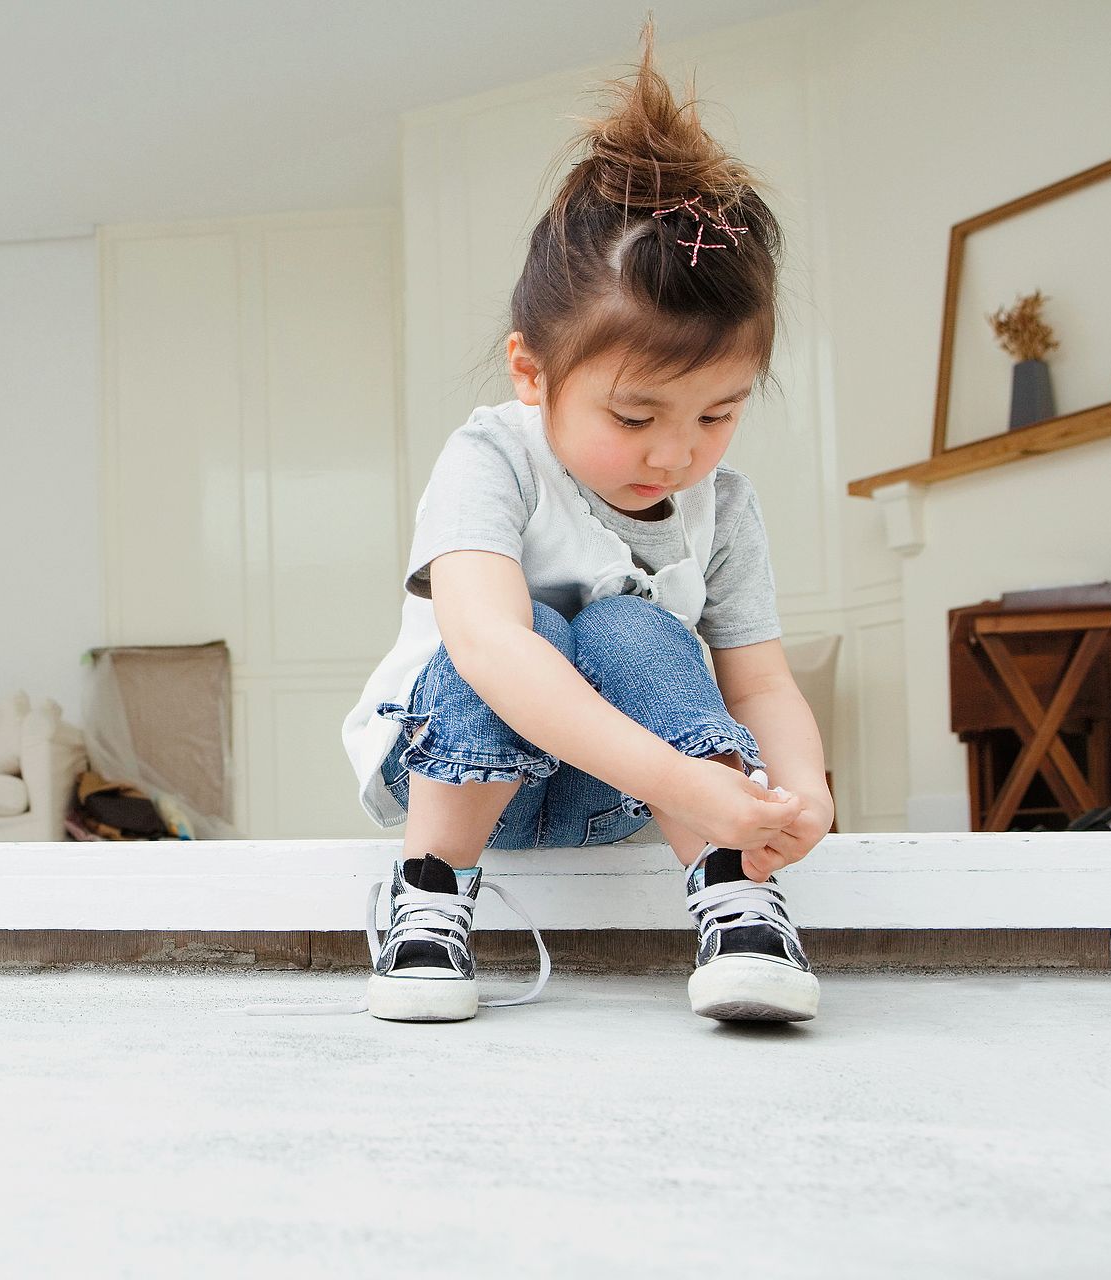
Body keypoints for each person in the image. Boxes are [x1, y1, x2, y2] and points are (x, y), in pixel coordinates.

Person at [340, 23, 832, 1025]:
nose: (676, 454)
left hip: (607, 795)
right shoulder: (490, 458)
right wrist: (684, 779)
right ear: (534, 373)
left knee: (634, 629)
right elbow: (488, 645)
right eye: (635, 414)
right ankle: (429, 892)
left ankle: (737, 891)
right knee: (540, 636)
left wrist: (802, 792)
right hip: (459, 769)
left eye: (718, 413)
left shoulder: (723, 505)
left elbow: (762, 678)